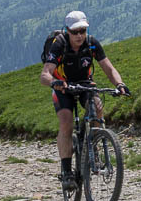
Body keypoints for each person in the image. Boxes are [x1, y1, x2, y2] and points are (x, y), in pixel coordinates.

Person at [40, 10, 130, 190]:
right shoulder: (60, 44)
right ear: (68, 31)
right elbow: (44, 75)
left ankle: (94, 148)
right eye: (75, 32)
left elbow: (109, 68)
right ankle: (66, 172)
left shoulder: (92, 44)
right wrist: (55, 82)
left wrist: (120, 84)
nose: (80, 35)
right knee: (66, 122)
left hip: (84, 84)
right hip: (62, 86)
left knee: (97, 107)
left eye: (83, 31)